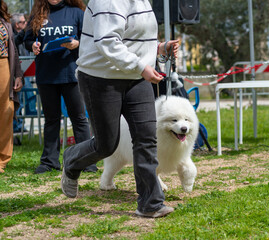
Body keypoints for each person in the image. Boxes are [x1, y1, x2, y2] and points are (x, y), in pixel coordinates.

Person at [60, 0, 179, 218]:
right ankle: (72, 160)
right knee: (106, 145)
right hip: (100, 78)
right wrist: (142, 66)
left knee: (146, 139)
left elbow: (134, 38)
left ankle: (150, 203)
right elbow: (108, 42)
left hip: (136, 78)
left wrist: (159, 48)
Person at [24, 0, 97, 174]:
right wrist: (33, 45)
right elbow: (27, 39)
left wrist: (77, 44)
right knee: (51, 120)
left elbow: (90, 38)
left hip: (71, 75)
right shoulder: (38, 14)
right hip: (46, 76)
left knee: (79, 119)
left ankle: (86, 161)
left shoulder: (77, 12)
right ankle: (49, 161)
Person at [0, 0, 24, 173]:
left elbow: (13, 50)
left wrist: (18, 75)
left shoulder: (5, 23)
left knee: (5, 111)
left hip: (3, 67)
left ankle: (2, 158)